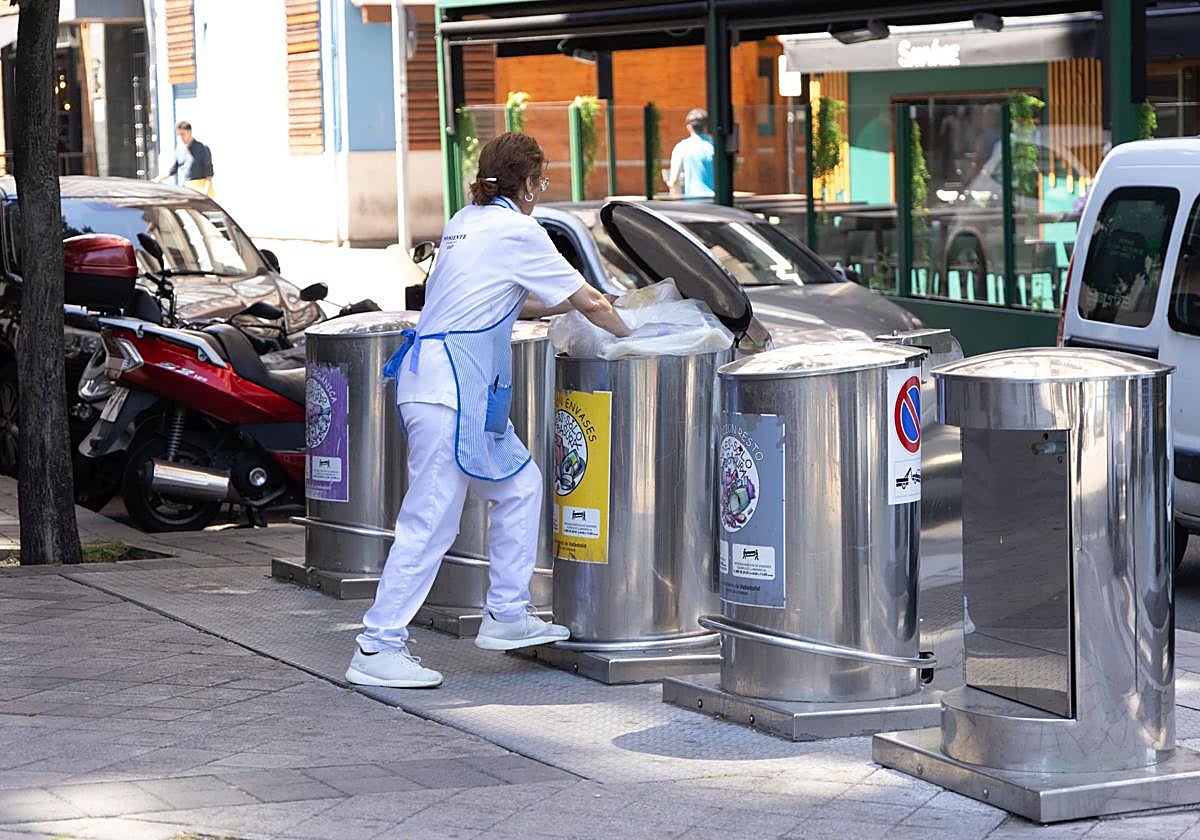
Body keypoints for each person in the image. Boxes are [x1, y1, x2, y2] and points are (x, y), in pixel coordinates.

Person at [345, 133, 631, 689]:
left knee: (520, 485)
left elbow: (500, 293)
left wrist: (581, 309)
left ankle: (505, 614)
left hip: (446, 385)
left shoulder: (466, 220)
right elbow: (589, 301)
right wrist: (641, 338)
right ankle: (377, 645)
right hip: (450, 390)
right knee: (431, 520)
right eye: (541, 183)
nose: (539, 195)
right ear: (527, 184)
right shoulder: (517, 229)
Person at [665, 108, 715, 198]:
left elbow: (674, 180)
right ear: (706, 127)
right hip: (717, 203)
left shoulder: (681, 147)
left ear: (689, 127)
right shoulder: (716, 146)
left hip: (694, 203)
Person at [156, 121, 214, 197]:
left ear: (190, 132)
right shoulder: (179, 150)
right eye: (179, 135)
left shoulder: (202, 148)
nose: (181, 137)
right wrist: (158, 179)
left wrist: (205, 192)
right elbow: (173, 170)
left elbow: (208, 172)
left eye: (183, 134)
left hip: (202, 188)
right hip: (188, 189)